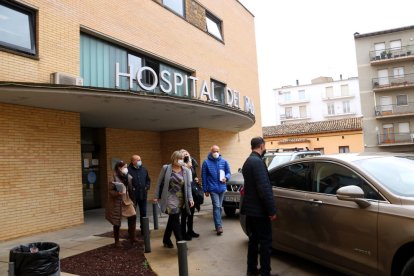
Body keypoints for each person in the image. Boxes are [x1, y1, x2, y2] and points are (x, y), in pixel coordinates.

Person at [241, 137, 277, 276]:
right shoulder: (257, 162)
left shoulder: (248, 161)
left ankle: (251, 270)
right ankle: (265, 272)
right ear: (262, 146)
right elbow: (264, 189)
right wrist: (271, 210)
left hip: (250, 211)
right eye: (264, 146)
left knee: (253, 241)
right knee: (265, 243)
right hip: (259, 212)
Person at [154, 151, 194, 248]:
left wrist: (190, 198)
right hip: (169, 197)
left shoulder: (186, 170)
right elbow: (159, 182)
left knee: (173, 218)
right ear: (174, 159)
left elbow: (188, 186)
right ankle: (180, 242)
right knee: (176, 219)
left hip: (181, 198)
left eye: (182, 159)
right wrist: (156, 196)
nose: (180, 161)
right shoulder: (166, 168)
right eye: (179, 159)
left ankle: (166, 239)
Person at [105, 160, 138, 247]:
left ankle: (133, 237)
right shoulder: (113, 177)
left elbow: (130, 188)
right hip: (118, 201)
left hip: (127, 200)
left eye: (126, 167)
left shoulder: (127, 176)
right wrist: (117, 193)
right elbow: (110, 190)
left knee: (133, 216)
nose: (126, 169)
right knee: (117, 221)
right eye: (124, 167)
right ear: (119, 168)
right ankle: (117, 241)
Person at [201, 145, 231, 235]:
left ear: (219, 151)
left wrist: (226, 177)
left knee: (219, 207)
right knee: (217, 206)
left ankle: (218, 224)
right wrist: (205, 190)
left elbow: (228, 172)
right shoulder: (206, 163)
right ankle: (219, 226)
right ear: (211, 152)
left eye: (217, 151)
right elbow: (204, 177)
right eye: (214, 151)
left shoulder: (224, 161)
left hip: (222, 188)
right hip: (212, 188)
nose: (216, 153)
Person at [180, 149, 201, 240]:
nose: (187, 156)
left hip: (192, 191)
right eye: (184, 155)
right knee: (184, 214)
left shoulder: (191, 165)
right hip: (183, 192)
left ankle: (190, 230)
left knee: (191, 213)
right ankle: (183, 233)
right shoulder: (180, 166)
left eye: (187, 154)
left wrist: (196, 178)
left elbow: (194, 175)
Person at [128, 155, 151, 234]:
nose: (139, 161)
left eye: (140, 160)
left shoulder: (144, 169)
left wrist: (147, 187)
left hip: (143, 195)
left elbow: (148, 180)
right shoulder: (128, 170)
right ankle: (131, 231)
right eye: (137, 160)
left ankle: (144, 230)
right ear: (132, 161)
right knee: (132, 214)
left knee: (143, 213)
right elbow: (127, 183)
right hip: (133, 197)